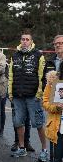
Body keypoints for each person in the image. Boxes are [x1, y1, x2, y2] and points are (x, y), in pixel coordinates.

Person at [9, 31, 48, 161]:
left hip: (33, 97)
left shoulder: (38, 55)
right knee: (18, 122)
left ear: (31, 42)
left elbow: (42, 77)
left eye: (27, 39)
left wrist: (39, 94)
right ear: (20, 41)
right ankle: (21, 148)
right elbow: (11, 76)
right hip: (17, 96)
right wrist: (10, 93)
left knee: (38, 123)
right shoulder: (14, 56)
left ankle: (44, 150)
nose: (24, 41)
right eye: (23, 39)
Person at [42, 34, 63, 162]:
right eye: (56, 43)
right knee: (56, 158)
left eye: (61, 43)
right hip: (56, 122)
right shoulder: (50, 63)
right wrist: (55, 105)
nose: (58, 45)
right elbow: (46, 99)